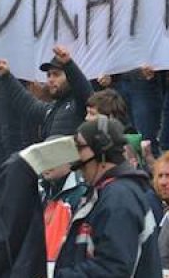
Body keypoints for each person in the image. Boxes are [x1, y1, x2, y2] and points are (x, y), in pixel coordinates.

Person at [53, 117, 161, 277]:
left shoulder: (119, 198)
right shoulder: (108, 193)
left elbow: (113, 270)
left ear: (101, 151)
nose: (76, 158)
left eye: (80, 148)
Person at [0, 45, 93, 144]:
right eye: (48, 75)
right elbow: (27, 104)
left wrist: (68, 64)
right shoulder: (51, 110)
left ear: (70, 77)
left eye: (56, 74)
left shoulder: (80, 104)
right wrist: (6, 76)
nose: (50, 80)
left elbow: (85, 91)